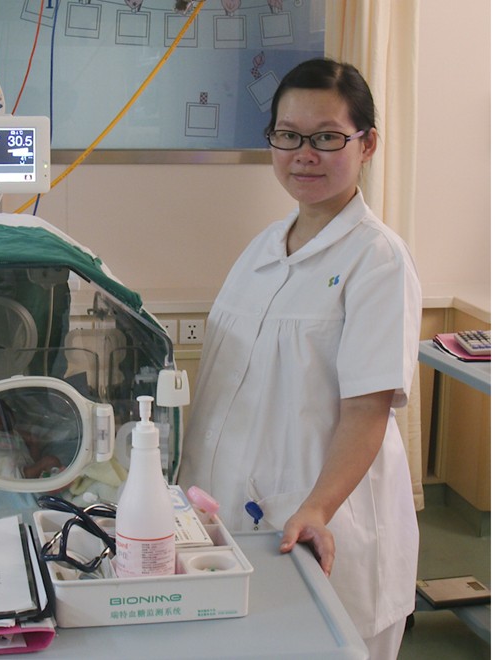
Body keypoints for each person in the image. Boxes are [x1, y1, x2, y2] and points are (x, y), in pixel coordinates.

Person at [178, 58, 421, 660]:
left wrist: (317, 505)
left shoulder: (378, 262)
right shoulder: (263, 247)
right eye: (288, 135)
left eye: (326, 137)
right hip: (227, 517)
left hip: (318, 526)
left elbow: (366, 410)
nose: (303, 154)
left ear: (367, 145)